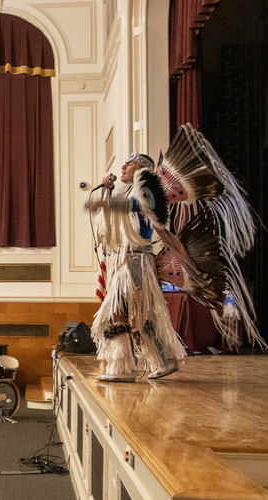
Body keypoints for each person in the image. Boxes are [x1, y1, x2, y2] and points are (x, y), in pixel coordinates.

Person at [85, 152, 185, 382]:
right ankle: (140, 365)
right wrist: (108, 193)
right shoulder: (130, 190)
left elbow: (141, 206)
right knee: (124, 314)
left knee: (132, 313)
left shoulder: (146, 183)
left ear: (142, 167)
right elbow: (116, 217)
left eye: (128, 163)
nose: (122, 166)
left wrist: (108, 201)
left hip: (136, 261)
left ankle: (148, 364)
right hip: (125, 261)